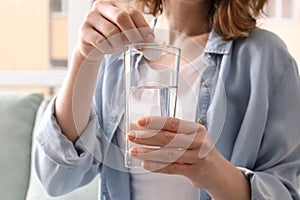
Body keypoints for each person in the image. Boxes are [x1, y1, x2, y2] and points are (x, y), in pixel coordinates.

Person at [35, 0, 300, 199]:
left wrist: (213, 171)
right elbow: (56, 177)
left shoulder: (267, 58)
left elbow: (285, 191)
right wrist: (85, 55)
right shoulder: (114, 51)